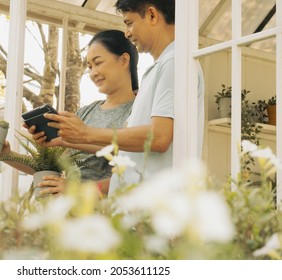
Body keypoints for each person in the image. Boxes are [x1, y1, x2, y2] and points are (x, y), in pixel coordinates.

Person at [38, 0, 204, 196]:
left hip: (155, 207)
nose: (127, 33)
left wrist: (84, 132)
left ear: (151, 15)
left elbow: (159, 137)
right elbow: (126, 143)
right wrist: (65, 139)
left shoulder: (175, 62)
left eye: (129, 23)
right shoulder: (160, 67)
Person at [0, 29, 139, 196]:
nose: (93, 73)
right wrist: (6, 155)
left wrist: (77, 190)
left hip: (105, 217)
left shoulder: (138, 109)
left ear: (124, 60)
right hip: (69, 214)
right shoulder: (85, 112)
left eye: (98, 62)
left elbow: (130, 174)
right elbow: (49, 168)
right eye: (89, 66)